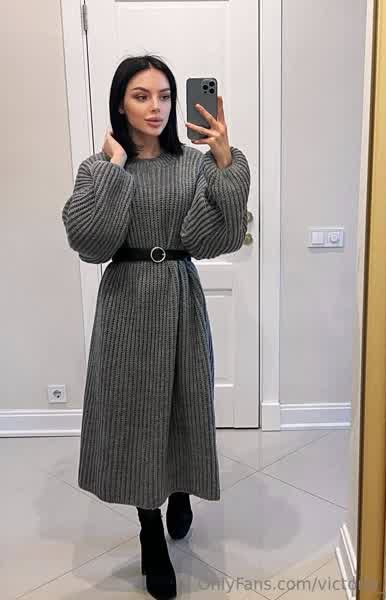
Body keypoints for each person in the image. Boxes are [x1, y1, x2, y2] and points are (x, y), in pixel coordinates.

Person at [61, 54, 251, 599]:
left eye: (165, 96)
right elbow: (90, 243)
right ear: (120, 104)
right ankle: (149, 528)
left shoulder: (193, 165)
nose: (156, 107)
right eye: (141, 96)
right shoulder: (99, 167)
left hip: (180, 297)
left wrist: (224, 162)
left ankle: (181, 486)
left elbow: (221, 237)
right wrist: (113, 168)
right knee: (136, 413)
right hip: (125, 302)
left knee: (184, 402)